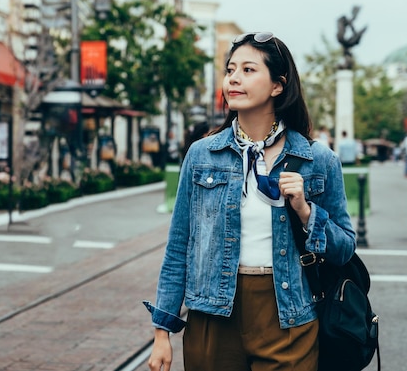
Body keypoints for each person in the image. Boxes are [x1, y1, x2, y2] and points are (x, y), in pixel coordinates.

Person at [144, 32, 356, 371]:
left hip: (288, 317)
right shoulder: (202, 155)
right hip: (212, 318)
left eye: (248, 70)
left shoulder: (316, 159)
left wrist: (305, 210)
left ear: (277, 85)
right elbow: (178, 247)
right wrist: (161, 331)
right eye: (230, 70)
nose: (234, 79)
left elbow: (345, 248)